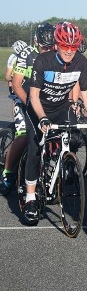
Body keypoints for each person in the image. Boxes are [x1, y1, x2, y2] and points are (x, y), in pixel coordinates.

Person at [22, 22, 87, 225]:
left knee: (75, 137)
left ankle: (59, 167)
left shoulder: (80, 62)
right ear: (57, 44)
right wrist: (43, 118)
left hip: (61, 108)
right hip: (38, 109)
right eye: (65, 46)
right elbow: (34, 97)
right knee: (35, 147)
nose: (69, 52)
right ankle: (30, 198)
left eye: (73, 47)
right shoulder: (43, 61)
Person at [0, 31, 50, 196]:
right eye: (43, 46)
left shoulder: (54, 55)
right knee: (22, 136)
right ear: (36, 41)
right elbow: (15, 83)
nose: (46, 49)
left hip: (43, 103)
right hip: (23, 99)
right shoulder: (26, 54)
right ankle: (7, 172)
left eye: (49, 46)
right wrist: (28, 103)